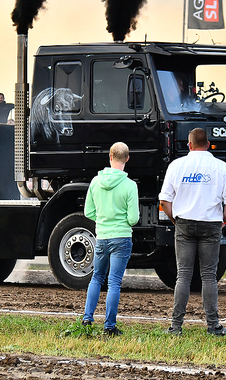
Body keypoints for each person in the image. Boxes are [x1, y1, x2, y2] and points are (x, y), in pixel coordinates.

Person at [159, 128, 226, 336]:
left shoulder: (177, 165)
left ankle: (176, 326)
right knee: (209, 276)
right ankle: (213, 325)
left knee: (183, 275)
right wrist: (222, 221)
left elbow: (165, 200)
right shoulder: (220, 167)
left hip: (184, 223)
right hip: (211, 224)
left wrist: (175, 218)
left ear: (189, 145)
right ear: (209, 145)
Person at [81, 142, 138, 336]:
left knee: (96, 277)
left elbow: (88, 211)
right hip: (121, 237)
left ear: (110, 157)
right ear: (127, 159)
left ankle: (87, 318)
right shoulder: (130, 186)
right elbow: (133, 219)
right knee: (114, 282)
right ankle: (109, 326)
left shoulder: (96, 182)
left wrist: (103, 220)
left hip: (102, 237)